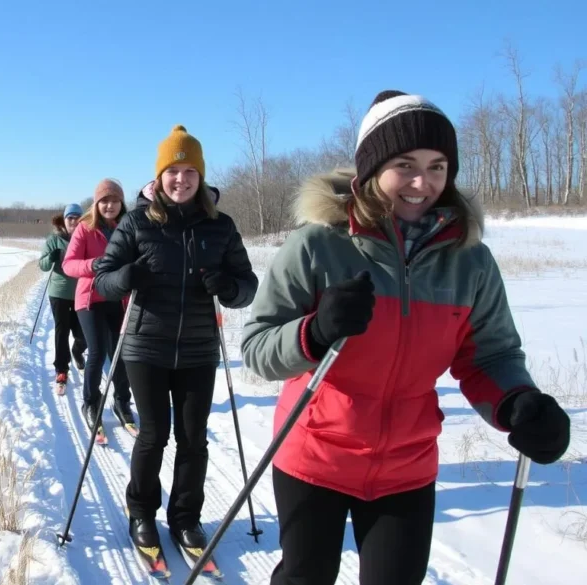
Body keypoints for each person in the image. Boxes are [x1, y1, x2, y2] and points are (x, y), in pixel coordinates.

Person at [239, 91, 571, 585]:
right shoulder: (318, 244)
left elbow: (491, 354)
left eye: (438, 166)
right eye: (405, 165)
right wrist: (316, 331)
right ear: (372, 168)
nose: (423, 183)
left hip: (406, 464)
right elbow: (257, 349)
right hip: (315, 453)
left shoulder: (470, 260)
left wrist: (517, 402)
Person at [93, 125, 258, 556]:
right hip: (146, 347)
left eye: (189, 171)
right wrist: (127, 276)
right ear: (159, 176)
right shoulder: (136, 222)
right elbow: (103, 279)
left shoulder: (220, 226)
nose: (180, 179)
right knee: (153, 435)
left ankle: (185, 518)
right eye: (172, 171)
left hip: (200, 350)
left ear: (200, 176)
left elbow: (248, 286)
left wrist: (228, 286)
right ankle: (142, 513)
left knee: (193, 439)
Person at [62, 179, 136, 431]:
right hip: (90, 299)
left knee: (120, 353)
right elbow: (69, 264)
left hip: (118, 299)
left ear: (121, 203)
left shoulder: (128, 227)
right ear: (96, 204)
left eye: (115, 200)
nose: (109, 205)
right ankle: (91, 403)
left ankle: (121, 402)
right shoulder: (84, 228)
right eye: (104, 200)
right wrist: (93, 265)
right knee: (97, 351)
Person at [39, 203, 88, 393]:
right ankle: (61, 369)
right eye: (70, 218)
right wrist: (51, 257)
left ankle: (77, 351)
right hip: (59, 292)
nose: (74, 221)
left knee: (82, 333)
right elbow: (42, 265)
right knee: (62, 331)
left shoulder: (85, 237)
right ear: (64, 220)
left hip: (81, 292)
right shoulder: (54, 240)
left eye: (77, 218)